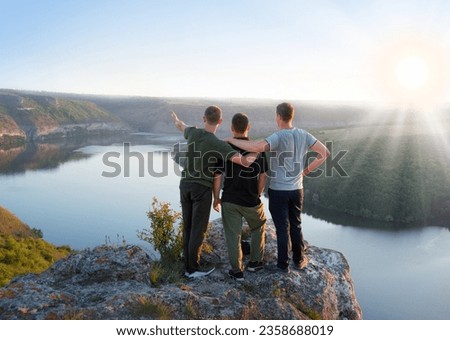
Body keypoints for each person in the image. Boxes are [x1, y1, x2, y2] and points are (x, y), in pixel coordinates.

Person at [226, 102, 330, 272]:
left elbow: (256, 147)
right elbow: (324, 153)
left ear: (278, 117)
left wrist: (231, 140)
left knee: (282, 228)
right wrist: (306, 170)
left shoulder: (278, 136)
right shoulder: (304, 134)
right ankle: (299, 259)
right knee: (296, 225)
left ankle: (283, 265)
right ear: (291, 116)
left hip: (278, 191)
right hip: (297, 190)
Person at [171, 106, 257, 279]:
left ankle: (187, 265)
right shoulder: (217, 144)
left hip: (184, 185)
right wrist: (257, 151)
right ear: (220, 121)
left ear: (204, 119)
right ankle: (192, 269)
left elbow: (181, 126)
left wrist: (176, 120)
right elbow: (244, 162)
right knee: (198, 229)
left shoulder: (193, 133)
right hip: (201, 189)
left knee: (187, 226)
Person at [212, 113, 268, 281]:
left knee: (233, 235)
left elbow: (217, 175)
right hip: (251, 199)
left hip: (229, 199)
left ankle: (237, 272)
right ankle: (255, 262)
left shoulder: (224, 147)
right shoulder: (256, 148)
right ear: (248, 127)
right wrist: (258, 192)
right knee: (258, 226)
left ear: (231, 128)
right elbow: (263, 175)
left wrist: (216, 198)